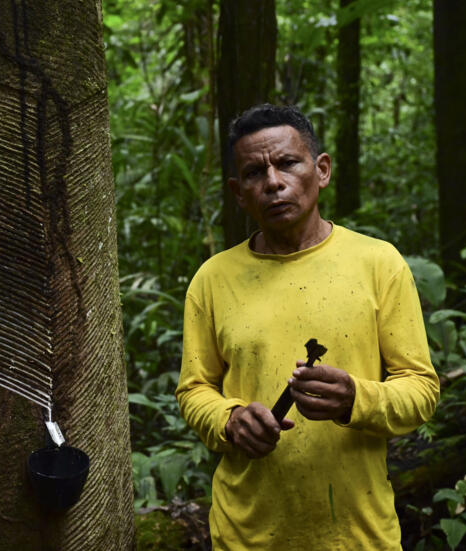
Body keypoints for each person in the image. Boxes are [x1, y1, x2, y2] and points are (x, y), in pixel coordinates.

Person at [176, 104, 440, 550]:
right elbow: (194, 388)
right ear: (239, 193)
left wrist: (357, 399)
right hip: (247, 534)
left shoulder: (378, 264)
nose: (274, 182)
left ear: (321, 170)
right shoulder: (213, 279)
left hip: (357, 534)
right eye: (256, 173)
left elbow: (420, 389)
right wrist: (230, 419)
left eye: (288, 163)